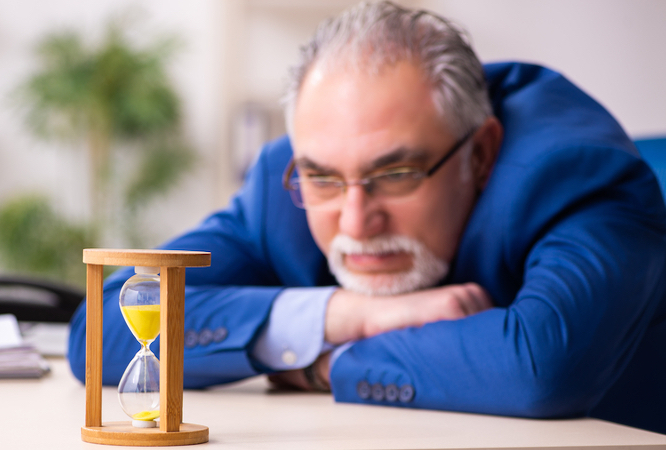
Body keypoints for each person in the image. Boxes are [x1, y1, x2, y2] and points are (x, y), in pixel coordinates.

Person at [67, 1, 666, 434]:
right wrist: (349, 315)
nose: (356, 220)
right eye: (324, 177)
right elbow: (99, 332)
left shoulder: (575, 174)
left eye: (396, 173)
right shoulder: (286, 185)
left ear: (480, 154)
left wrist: (328, 362)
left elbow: (543, 366)